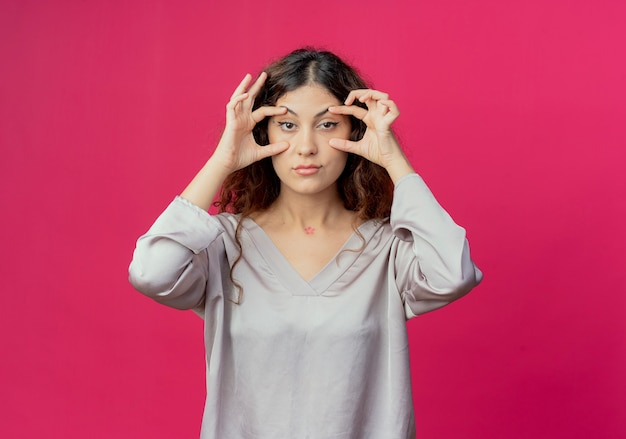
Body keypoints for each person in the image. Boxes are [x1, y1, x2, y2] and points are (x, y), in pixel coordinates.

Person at [129, 48, 482, 439]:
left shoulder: (388, 248)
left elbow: (453, 274)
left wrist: (393, 158)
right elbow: (152, 273)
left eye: (328, 124)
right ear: (261, 131)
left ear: (355, 131)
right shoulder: (225, 243)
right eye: (287, 125)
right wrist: (223, 159)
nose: (307, 146)